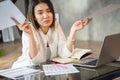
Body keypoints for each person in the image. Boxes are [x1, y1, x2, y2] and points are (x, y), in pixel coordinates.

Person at [11, 0, 92, 69]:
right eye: (40, 13)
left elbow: (65, 53)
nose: (46, 16)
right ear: (34, 16)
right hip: (25, 70)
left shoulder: (55, 26)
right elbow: (35, 62)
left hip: (45, 70)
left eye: (48, 11)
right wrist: (30, 35)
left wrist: (73, 31)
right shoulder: (28, 29)